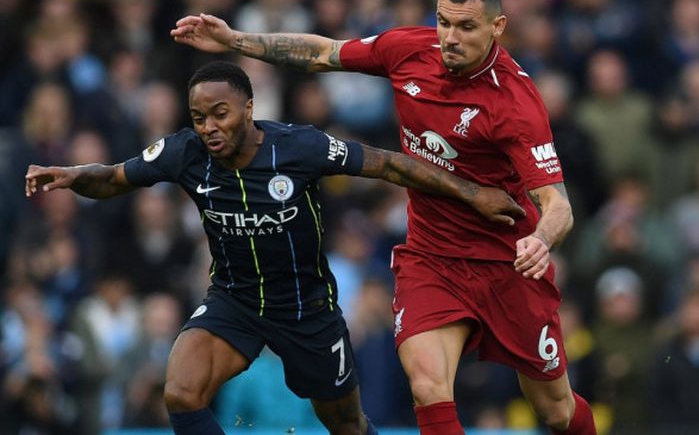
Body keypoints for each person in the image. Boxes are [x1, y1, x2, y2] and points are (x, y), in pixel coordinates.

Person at [169, 0, 597, 434]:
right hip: (432, 259)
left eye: (466, 28)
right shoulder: (409, 50)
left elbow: (558, 204)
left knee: (556, 411)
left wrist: (540, 239)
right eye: (443, 22)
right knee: (428, 386)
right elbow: (323, 53)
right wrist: (236, 39)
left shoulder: (514, 103)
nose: (450, 38)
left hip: (508, 264)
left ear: (497, 27)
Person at [25, 60, 524, 435]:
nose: (209, 127)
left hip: (306, 307)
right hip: (234, 299)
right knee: (180, 391)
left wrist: (473, 192)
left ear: (248, 108)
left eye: (220, 114)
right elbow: (113, 178)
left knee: (347, 425)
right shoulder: (183, 152)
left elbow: (390, 165)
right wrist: (71, 177)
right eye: (199, 117)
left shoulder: (299, 147)